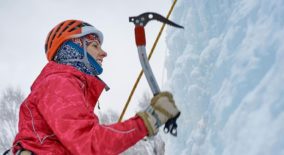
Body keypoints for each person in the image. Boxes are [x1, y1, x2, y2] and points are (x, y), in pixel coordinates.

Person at [11, 20, 180, 155]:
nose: (103, 52)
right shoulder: (58, 84)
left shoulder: (63, 84)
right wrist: (147, 121)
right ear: (74, 48)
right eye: (94, 45)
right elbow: (90, 144)